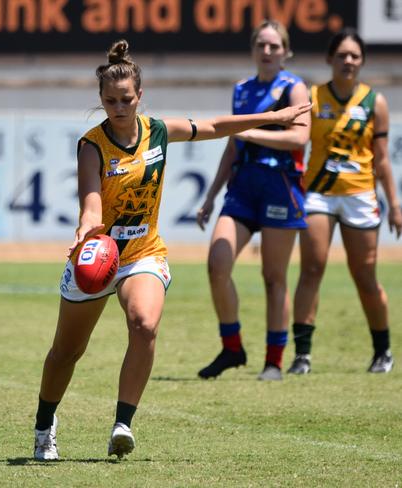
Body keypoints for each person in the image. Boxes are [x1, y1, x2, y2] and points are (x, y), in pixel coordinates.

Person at [32, 39, 310, 461]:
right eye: (110, 101)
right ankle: (44, 426)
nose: (119, 107)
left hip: (143, 252)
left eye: (126, 99)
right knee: (67, 351)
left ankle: (122, 424)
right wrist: (86, 228)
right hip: (99, 255)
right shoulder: (92, 145)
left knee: (144, 324)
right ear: (101, 100)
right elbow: (91, 203)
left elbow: (216, 126)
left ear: (140, 97)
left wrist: (273, 117)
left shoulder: (158, 130)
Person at [195, 20, 311, 381]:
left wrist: (250, 131)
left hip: (279, 185)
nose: (267, 51)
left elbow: (299, 139)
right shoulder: (242, 90)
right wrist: (212, 195)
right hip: (242, 188)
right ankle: (233, 348)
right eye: (261, 44)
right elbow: (232, 145)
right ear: (252, 49)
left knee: (273, 276)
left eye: (274, 46)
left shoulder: (295, 88)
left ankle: (274, 361)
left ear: (286, 51)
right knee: (218, 263)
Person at [288, 28, 402, 375]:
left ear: (362, 61)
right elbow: (297, 144)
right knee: (311, 269)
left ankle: (382, 351)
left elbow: (381, 158)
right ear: (330, 59)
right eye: (342, 55)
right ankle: (302, 355)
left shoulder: (374, 102)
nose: (348, 61)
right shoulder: (312, 96)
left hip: (360, 195)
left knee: (365, 276)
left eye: (355, 56)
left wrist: (394, 205)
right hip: (319, 194)